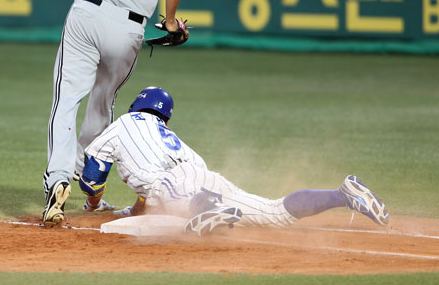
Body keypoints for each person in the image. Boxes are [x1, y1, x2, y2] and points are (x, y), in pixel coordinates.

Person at [38, 0, 190, 228]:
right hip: (129, 27)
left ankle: (58, 179)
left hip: (87, 12)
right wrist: (170, 21)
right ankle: (89, 181)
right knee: (102, 103)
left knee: (66, 101)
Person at [78, 87, 389, 235]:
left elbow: (92, 176)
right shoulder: (173, 141)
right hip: (204, 177)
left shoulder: (122, 123)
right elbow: (169, 184)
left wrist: (94, 206)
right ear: (166, 119)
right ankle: (343, 194)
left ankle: (210, 209)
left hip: (181, 188)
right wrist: (135, 208)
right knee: (272, 211)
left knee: (184, 204)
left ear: (135, 107)